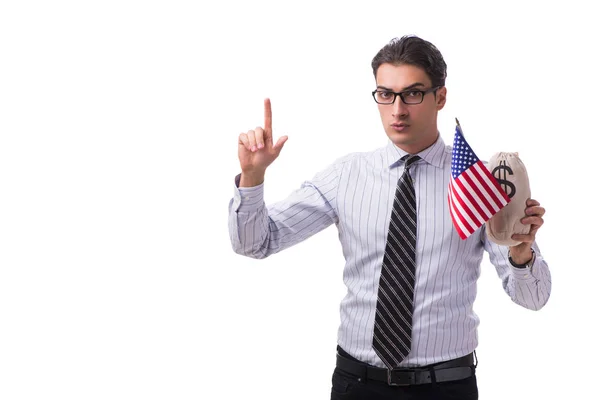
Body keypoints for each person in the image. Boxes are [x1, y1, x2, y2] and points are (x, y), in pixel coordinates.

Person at [228, 35, 550, 400]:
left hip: (445, 387)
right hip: (357, 384)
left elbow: (533, 297)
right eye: (386, 94)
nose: (398, 109)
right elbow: (255, 243)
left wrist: (522, 252)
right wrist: (252, 178)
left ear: (440, 97)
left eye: (412, 93)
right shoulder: (347, 175)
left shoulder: (475, 183)